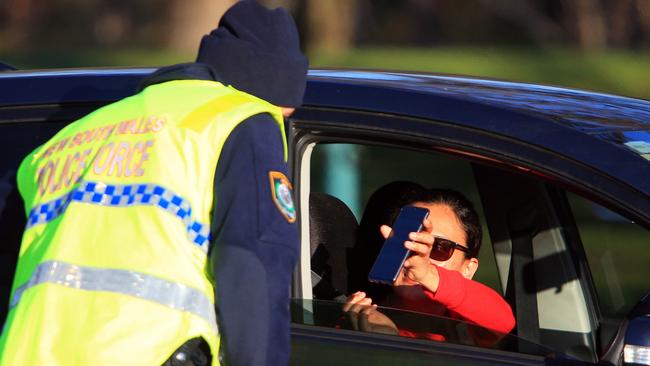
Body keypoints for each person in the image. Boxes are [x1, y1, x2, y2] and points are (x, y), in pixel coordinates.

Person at [0, 1, 307, 365]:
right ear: (267, 94)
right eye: (285, 115)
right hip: (145, 351)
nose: (282, 124)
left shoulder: (76, 134)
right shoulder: (241, 120)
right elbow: (253, 262)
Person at [345, 182, 515, 340]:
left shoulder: (467, 327)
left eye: (440, 247)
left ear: (468, 268)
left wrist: (428, 274)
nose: (417, 255)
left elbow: (503, 321)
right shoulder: (359, 315)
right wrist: (381, 341)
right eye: (408, 242)